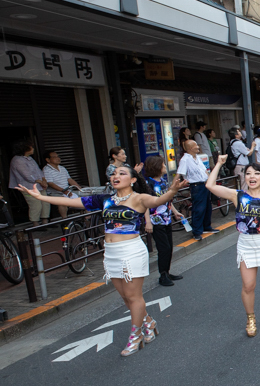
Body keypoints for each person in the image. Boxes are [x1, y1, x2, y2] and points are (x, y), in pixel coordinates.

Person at [17, 168, 185, 356]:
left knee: (134, 297)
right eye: (114, 174)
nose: (116, 176)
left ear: (132, 179)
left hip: (131, 251)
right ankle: (148, 322)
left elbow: (157, 201)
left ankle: (136, 335)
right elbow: (72, 201)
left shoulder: (139, 198)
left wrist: (172, 191)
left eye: (122, 173)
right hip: (111, 253)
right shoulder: (105, 200)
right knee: (125, 298)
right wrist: (40, 198)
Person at [205, 156, 260, 337]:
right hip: (245, 244)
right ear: (244, 177)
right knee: (248, 286)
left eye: (256, 173)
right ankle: (250, 318)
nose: (252, 177)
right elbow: (210, 185)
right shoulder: (237, 195)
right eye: (248, 174)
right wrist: (219, 164)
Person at [143, 156, 185, 287]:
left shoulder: (163, 182)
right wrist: (148, 221)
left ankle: (167, 272)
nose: (165, 167)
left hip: (166, 219)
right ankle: (162, 275)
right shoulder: (148, 184)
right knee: (164, 248)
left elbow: (167, 199)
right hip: (156, 221)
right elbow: (143, 204)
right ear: (157, 167)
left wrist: (175, 212)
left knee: (169, 247)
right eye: (163, 165)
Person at [178, 140, 220, 241]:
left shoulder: (197, 158)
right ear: (190, 148)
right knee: (198, 209)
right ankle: (196, 231)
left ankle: (206, 226)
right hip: (196, 186)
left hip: (204, 184)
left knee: (207, 207)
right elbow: (180, 173)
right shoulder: (185, 160)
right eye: (196, 145)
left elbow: (204, 170)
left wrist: (211, 180)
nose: (198, 147)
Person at [9, 142, 49, 226]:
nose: (33, 148)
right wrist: (40, 181)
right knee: (35, 204)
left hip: (39, 185)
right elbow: (27, 175)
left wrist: (44, 180)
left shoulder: (30, 158)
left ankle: (45, 221)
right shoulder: (17, 160)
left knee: (45, 202)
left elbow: (38, 171)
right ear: (25, 148)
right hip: (27, 186)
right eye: (31, 147)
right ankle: (35, 223)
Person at [42, 150, 80, 221]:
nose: (58, 158)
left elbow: (70, 180)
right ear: (48, 160)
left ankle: (87, 219)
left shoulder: (62, 168)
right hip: (55, 193)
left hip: (67, 191)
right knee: (62, 201)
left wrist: (79, 188)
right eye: (54, 157)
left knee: (85, 198)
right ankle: (65, 220)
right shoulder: (46, 169)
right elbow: (50, 183)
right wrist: (63, 191)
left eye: (58, 156)